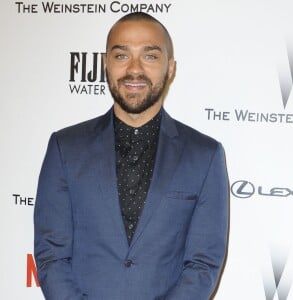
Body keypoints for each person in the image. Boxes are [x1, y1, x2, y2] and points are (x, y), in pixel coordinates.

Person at [34, 12, 229, 300]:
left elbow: (203, 264)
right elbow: (51, 254)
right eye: (121, 56)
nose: (134, 70)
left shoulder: (205, 155)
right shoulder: (65, 147)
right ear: (105, 64)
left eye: (149, 56)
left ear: (170, 68)